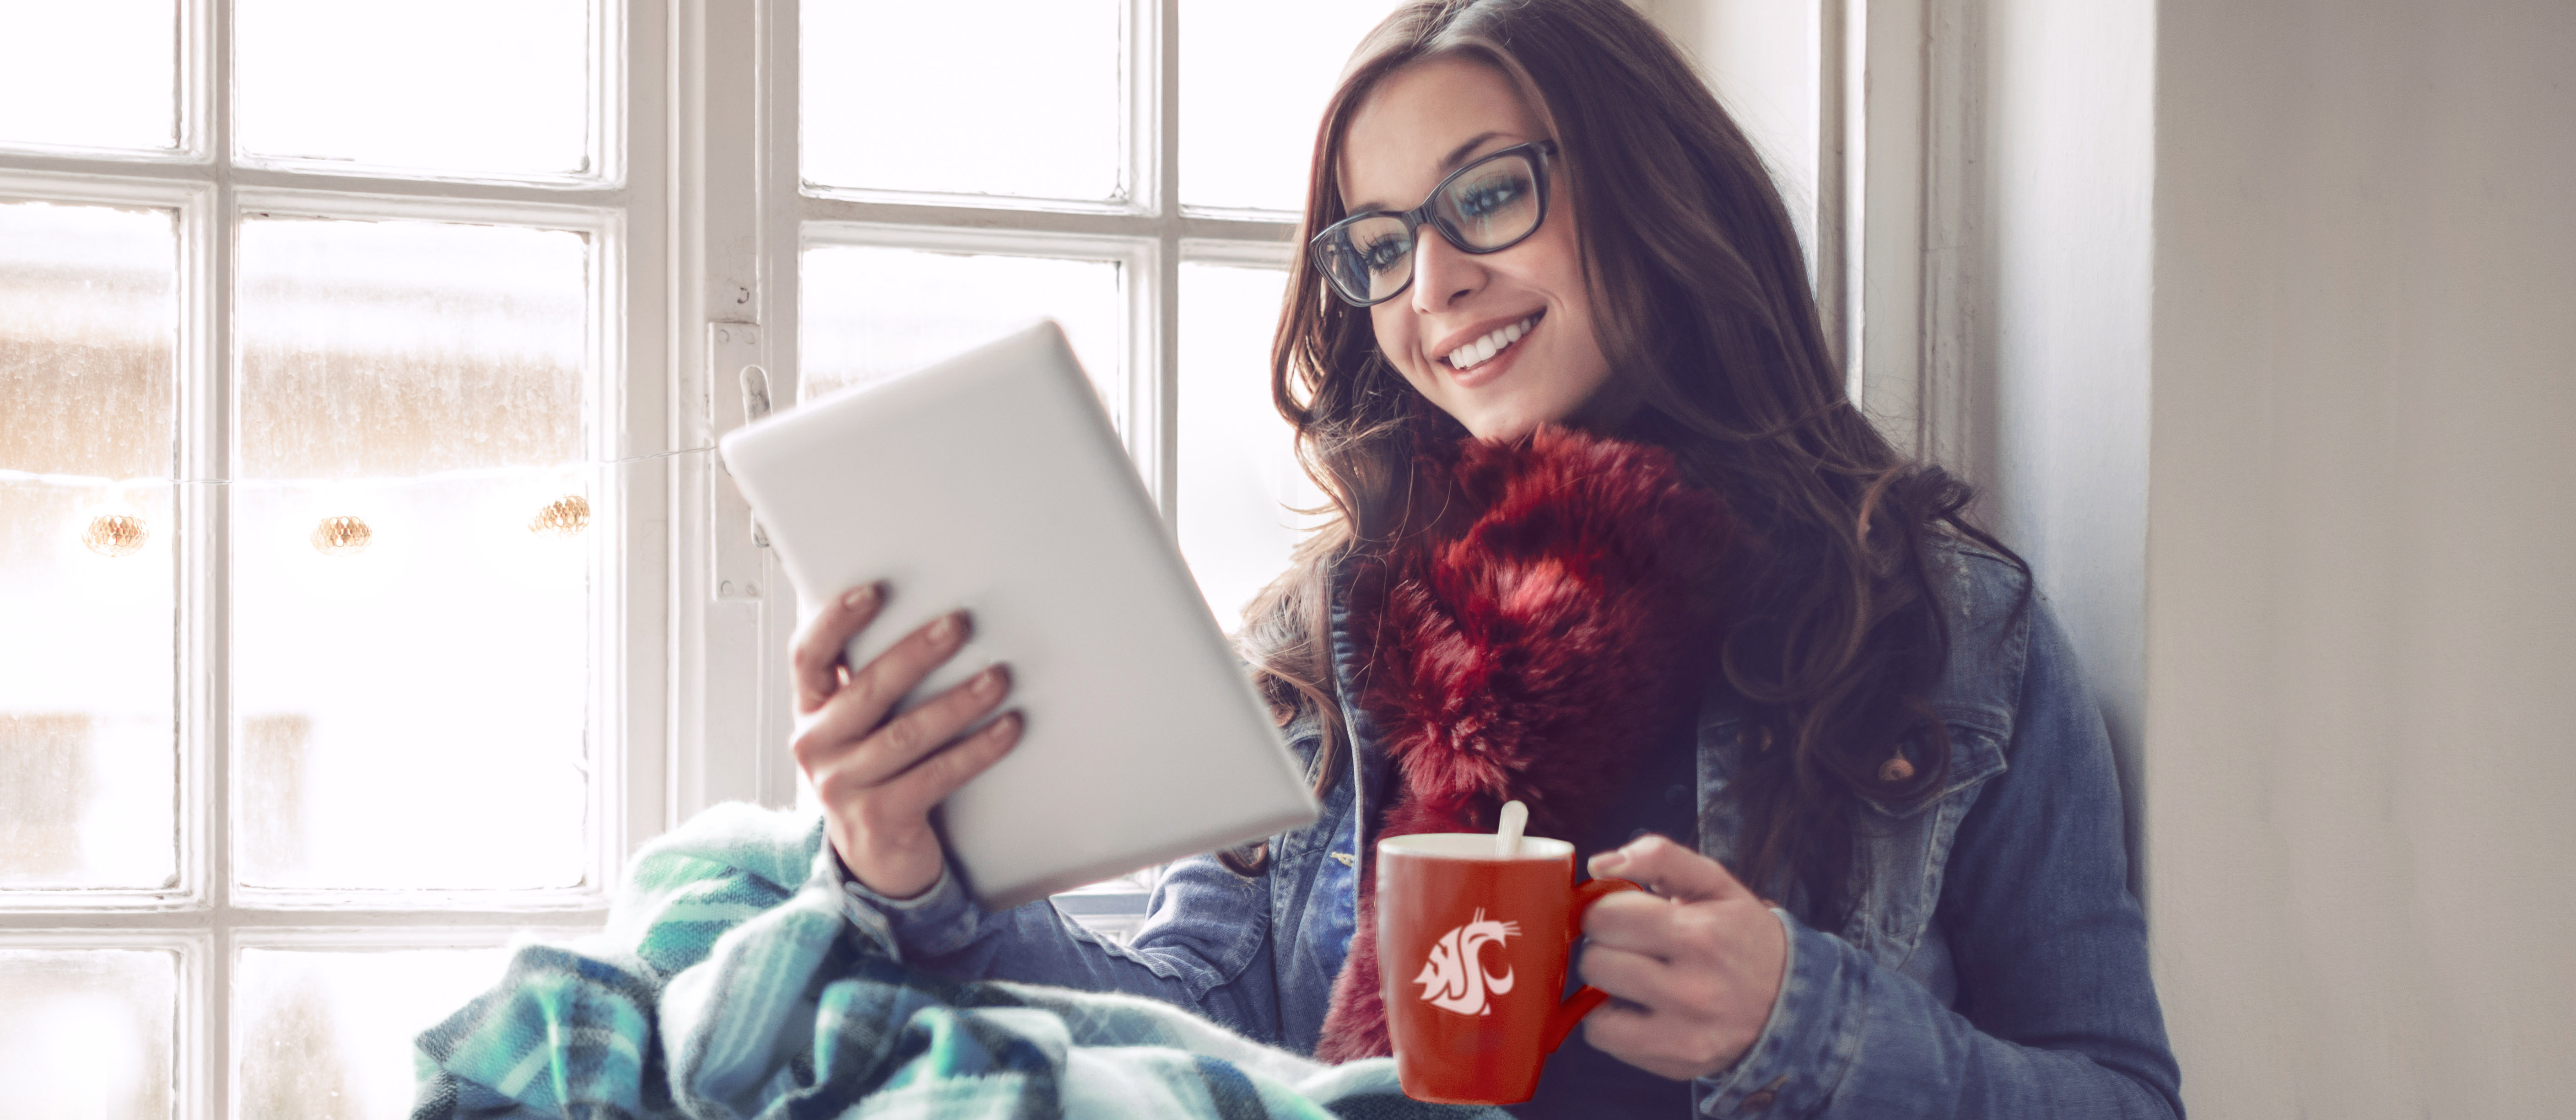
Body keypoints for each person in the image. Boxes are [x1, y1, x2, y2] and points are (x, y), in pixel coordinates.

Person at [783, 0, 2183, 1115]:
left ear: (1657, 190)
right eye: (1378, 245)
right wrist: (910, 873)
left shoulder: (1938, 628)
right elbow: (1179, 1042)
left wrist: (1800, 1029)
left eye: (1489, 194)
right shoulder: (1321, 642)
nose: (1432, 284)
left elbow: (2118, 1095)